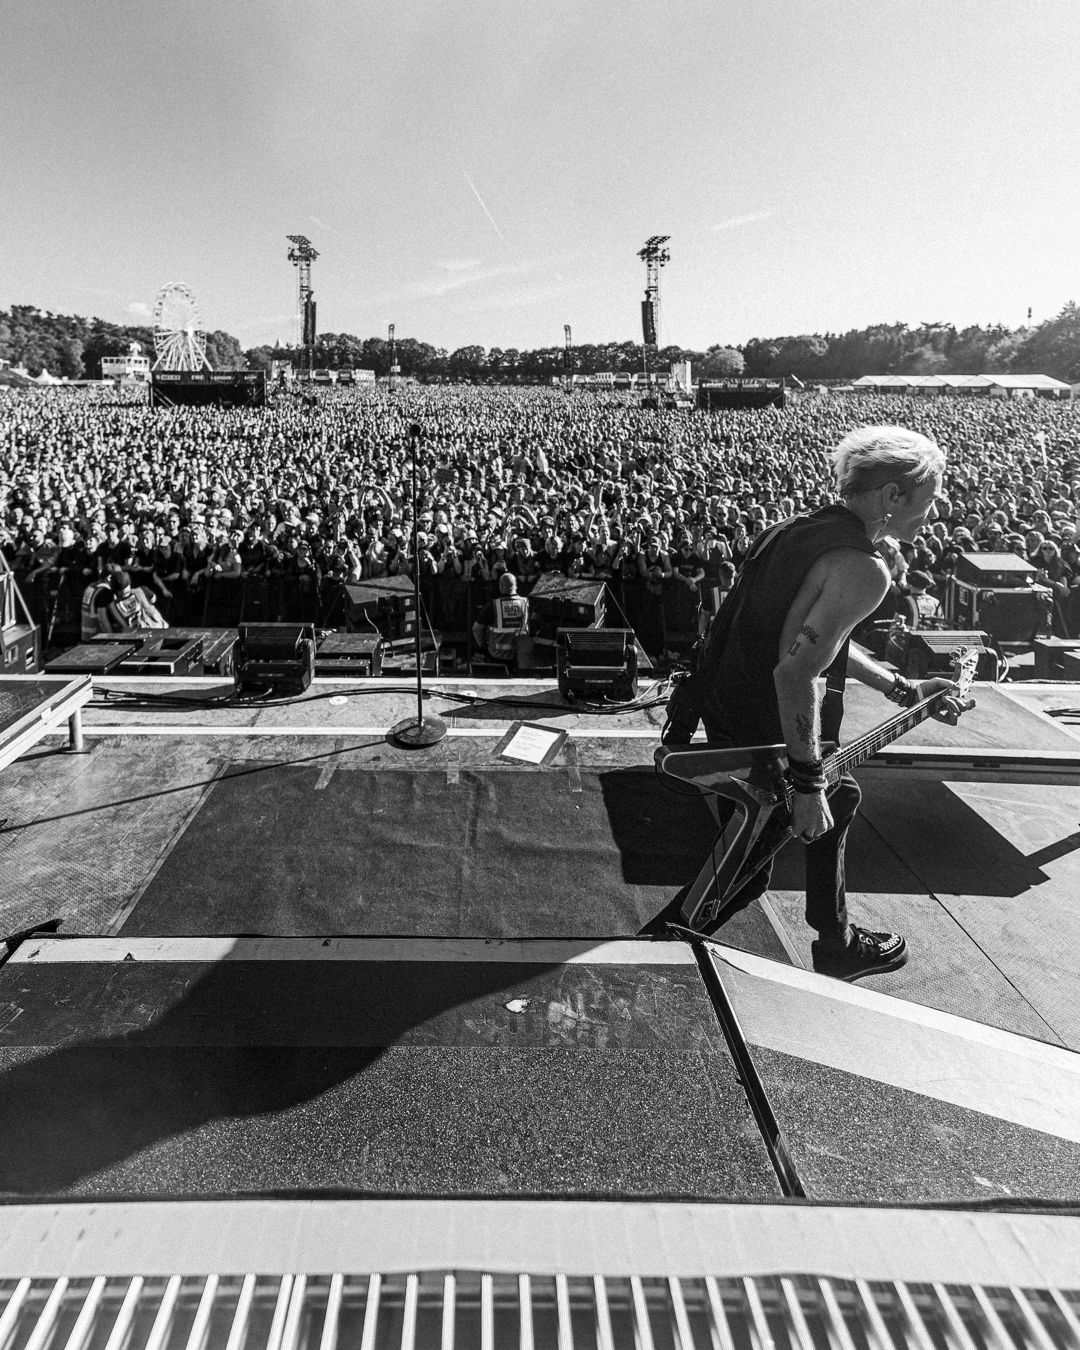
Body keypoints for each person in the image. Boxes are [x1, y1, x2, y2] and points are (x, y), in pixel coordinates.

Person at [673, 426, 970, 982]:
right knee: (744, 870)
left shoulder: (796, 530)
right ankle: (655, 958)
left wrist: (902, 689)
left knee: (839, 797)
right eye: (929, 500)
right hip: (766, 727)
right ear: (893, 495)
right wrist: (808, 783)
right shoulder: (863, 569)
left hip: (731, 707)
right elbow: (797, 669)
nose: (932, 515)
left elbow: (813, 637)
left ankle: (833, 937)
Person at [472, 570, 530, 664]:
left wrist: (482, 645)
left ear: (501, 586)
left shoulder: (493, 605)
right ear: (516, 585)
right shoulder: (526, 603)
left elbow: (476, 629)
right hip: (520, 656)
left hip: (497, 655)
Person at [104, 569, 168, 631]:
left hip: (135, 637)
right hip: (158, 629)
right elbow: (153, 600)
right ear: (129, 581)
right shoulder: (142, 590)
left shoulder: (113, 606)